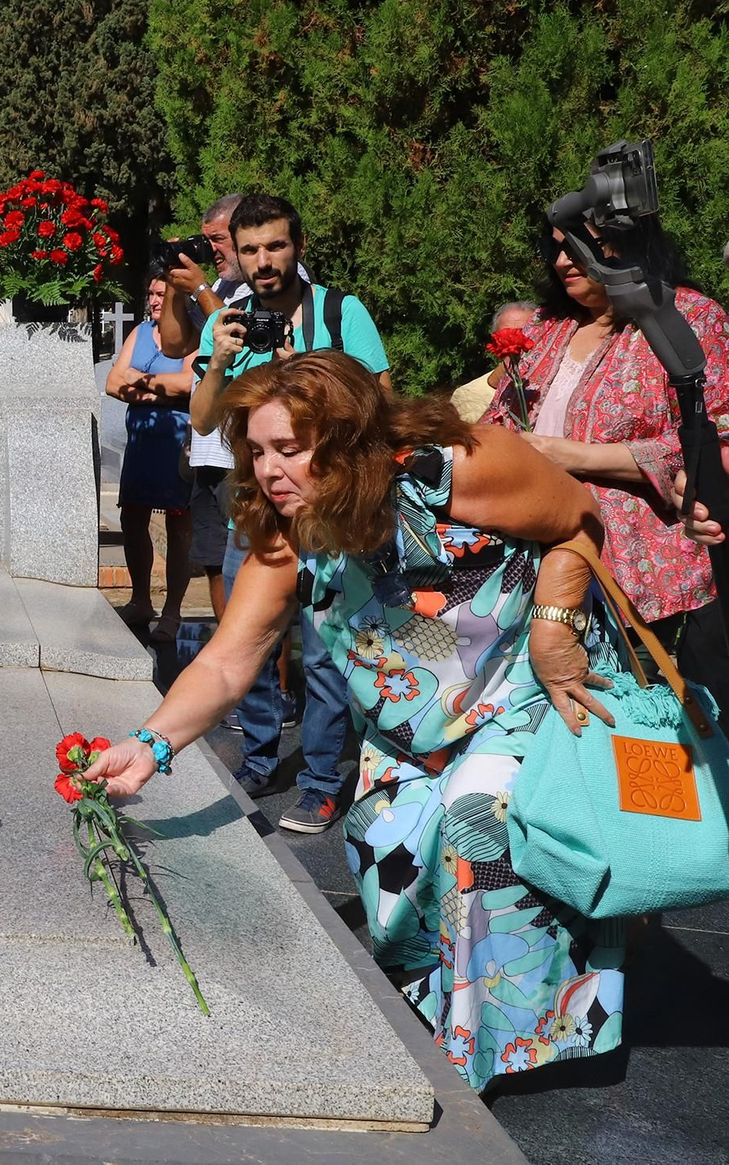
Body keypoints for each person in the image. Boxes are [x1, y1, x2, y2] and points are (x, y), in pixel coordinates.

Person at [85, 351, 626, 1093]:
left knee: (478, 819)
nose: (270, 470)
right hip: (415, 715)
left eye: (291, 449)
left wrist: (556, 627)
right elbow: (226, 662)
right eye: (258, 451)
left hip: (525, 683)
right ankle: (437, 1012)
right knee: (383, 840)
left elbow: (580, 519)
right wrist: (150, 745)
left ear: (347, 439)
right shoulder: (288, 529)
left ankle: (485, 1055)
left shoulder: (458, 466)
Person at [189, 194, 394, 832]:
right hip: (255, 508)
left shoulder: (340, 311)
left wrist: (306, 379)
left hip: (329, 509)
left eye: (275, 246)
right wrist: (220, 362)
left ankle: (324, 779)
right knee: (247, 639)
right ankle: (256, 755)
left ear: (297, 246)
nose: (263, 261)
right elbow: (201, 419)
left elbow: (380, 406)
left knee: (328, 650)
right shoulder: (228, 321)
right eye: (249, 250)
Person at [483, 226, 729, 704]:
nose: (561, 261)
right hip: (535, 554)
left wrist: (570, 455)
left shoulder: (687, 318)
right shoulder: (545, 328)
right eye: (554, 247)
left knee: (658, 715)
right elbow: (497, 421)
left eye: (578, 246)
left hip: (645, 570)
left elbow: (713, 437)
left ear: (628, 240)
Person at [154, 195, 246, 622]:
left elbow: (243, 339)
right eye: (205, 241)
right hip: (210, 447)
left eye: (219, 240)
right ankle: (229, 663)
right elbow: (174, 343)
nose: (213, 252)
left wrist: (203, 290)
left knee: (254, 569)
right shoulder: (221, 285)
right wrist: (176, 283)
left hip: (245, 450)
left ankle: (276, 684)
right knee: (215, 563)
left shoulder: (269, 283)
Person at [105, 263, 195, 641]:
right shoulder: (140, 332)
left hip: (178, 442)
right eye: (153, 294)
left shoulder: (193, 335)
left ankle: (172, 612)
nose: (157, 301)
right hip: (141, 443)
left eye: (164, 295)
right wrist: (160, 387)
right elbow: (112, 383)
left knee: (179, 527)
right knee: (132, 521)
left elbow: (188, 385)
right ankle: (141, 600)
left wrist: (138, 383)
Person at [451, 301, 540, 423]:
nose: (515, 339)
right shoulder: (470, 395)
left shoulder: (559, 383)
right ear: (496, 340)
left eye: (525, 332)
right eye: (506, 334)